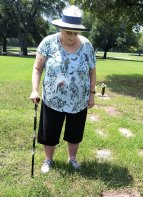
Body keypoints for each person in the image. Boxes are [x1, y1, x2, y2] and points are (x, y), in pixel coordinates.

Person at [29, 5, 96, 173]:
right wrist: (35, 90)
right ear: (60, 28)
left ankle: (72, 159)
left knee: (75, 132)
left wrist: (92, 94)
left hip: (78, 100)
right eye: (68, 32)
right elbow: (37, 68)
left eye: (75, 33)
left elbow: (92, 70)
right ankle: (48, 160)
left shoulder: (87, 46)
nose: (72, 36)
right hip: (53, 99)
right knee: (49, 132)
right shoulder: (48, 43)